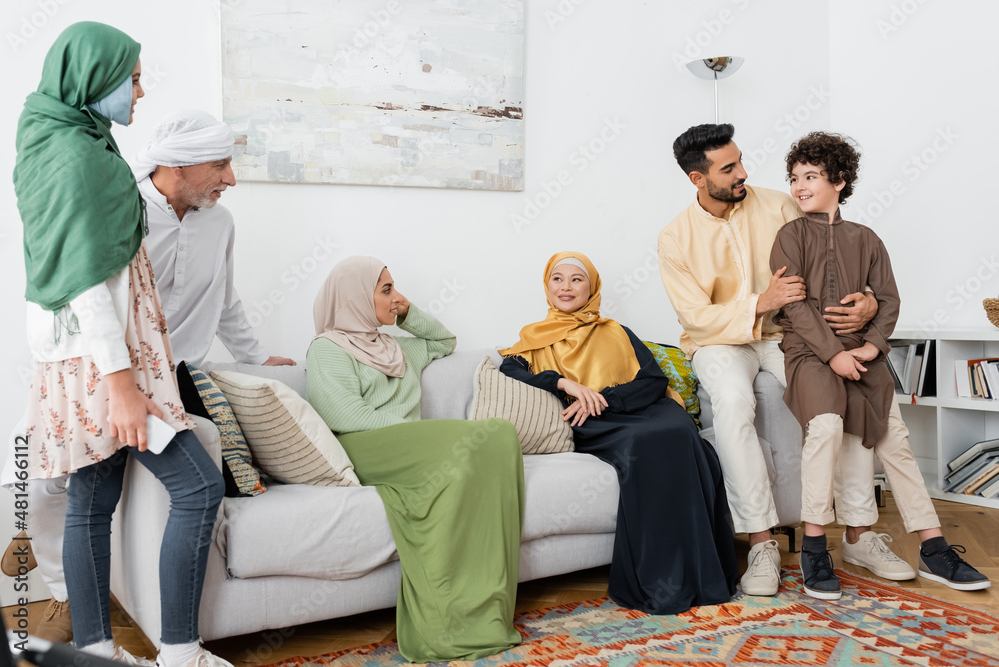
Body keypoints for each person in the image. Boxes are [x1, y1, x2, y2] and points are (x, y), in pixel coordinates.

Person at [13, 22, 229, 667]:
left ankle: (98, 653)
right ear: (94, 77)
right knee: (197, 486)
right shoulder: (76, 156)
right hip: (103, 367)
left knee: (91, 501)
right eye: (131, 78)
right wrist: (122, 384)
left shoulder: (66, 140)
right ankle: (181, 653)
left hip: (89, 361)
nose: (139, 92)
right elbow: (82, 280)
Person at [659, 123, 885, 598]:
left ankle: (860, 534)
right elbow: (697, 318)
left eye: (741, 160)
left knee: (847, 391)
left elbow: (831, 261)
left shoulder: (778, 206)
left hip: (790, 334)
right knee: (734, 403)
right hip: (720, 342)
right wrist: (760, 302)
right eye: (729, 168)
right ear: (698, 179)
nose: (743, 173)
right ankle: (762, 542)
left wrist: (867, 298)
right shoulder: (675, 238)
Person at [771, 131, 990, 597]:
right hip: (809, 354)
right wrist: (835, 353)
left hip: (861, 353)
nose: (800, 185)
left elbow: (888, 300)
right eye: (794, 177)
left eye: (811, 176)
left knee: (895, 436)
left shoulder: (866, 238)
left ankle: (933, 548)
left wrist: (870, 348)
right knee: (827, 428)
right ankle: (814, 547)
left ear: (840, 180)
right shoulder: (789, 236)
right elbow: (794, 308)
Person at [305, 256, 524, 662]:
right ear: (354, 297)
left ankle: (478, 608)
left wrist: (406, 314)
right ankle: (446, 620)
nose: (397, 297)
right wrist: (423, 433)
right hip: (364, 447)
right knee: (489, 434)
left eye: (395, 289)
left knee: (500, 439)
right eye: (386, 289)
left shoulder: (396, 348)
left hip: (413, 449)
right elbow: (343, 416)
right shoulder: (327, 348)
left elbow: (444, 342)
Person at [499, 251, 738, 614]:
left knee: (681, 434)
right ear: (547, 287)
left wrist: (605, 396)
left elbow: (654, 381)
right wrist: (564, 383)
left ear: (591, 286)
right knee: (646, 444)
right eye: (557, 279)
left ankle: (704, 575)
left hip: (637, 407)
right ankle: (661, 583)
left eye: (577, 279)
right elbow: (512, 372)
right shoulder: (533, 338)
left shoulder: (616, 331)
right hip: (594, 423)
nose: (566, 287)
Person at [132, 109, 295, 368]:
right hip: (119, 375)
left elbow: (222, 297)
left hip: (184, 374)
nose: (230, 179)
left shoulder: (220, 222)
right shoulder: (122, 213)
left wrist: (257, 359)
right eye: (219, 165)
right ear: (178, 165)